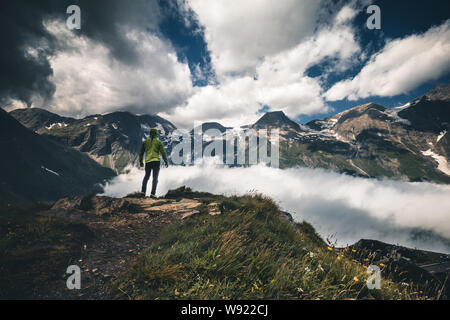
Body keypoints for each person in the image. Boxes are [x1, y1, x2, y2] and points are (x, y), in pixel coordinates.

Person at [139, 128, 169, 198]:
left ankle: (143, 193)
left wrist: (141, 161)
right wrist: (166, 161)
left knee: (146, 177)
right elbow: (163, 152)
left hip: (148, 162)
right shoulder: (159, 142)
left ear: (150, 134)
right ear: (156, 134)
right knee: (155, 178)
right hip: (156, 162)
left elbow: (141, 152)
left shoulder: (145, 142)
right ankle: (152, 194)